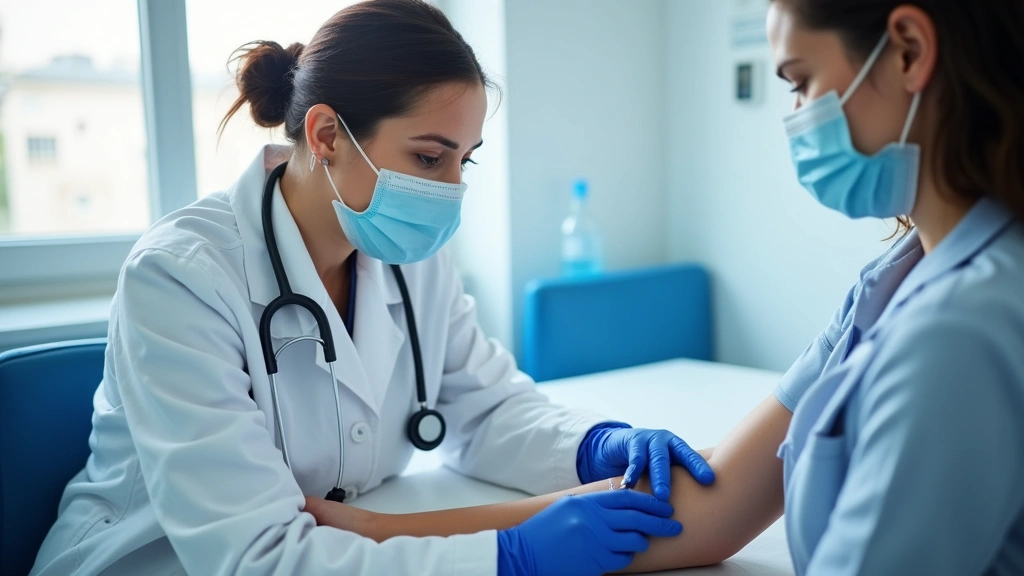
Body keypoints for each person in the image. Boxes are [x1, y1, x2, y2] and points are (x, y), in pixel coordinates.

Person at [307, 1, 1024, 575]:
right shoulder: (896, 277)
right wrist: (389, 534)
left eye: (801, 81)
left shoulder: (960, 329)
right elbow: (711, 498)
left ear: (906, 50)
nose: (797, 116)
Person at [28, 2, 716, 575]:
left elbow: (485, 409)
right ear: (327, 133)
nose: (452, 190)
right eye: (428, 156)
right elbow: (258, 556)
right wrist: (503, 557)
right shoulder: (180, 278)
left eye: (463, 160)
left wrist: (595, 445)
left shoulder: (407, 252)